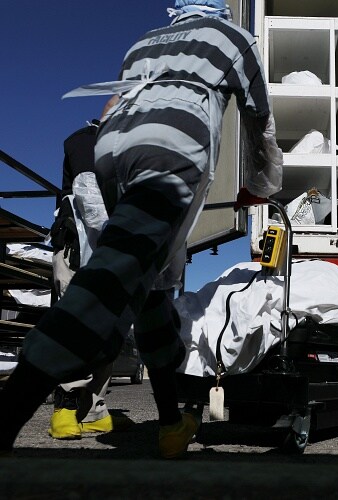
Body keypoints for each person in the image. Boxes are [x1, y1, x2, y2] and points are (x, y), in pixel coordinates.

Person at [0, 0, 282, 459]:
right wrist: (260, 186)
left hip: (113, 150)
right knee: (110, 280)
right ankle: (7, 417)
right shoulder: (235, 39)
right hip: (172, 149)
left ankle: (172, 424)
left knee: (149, 286)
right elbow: (260, 124)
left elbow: (115, 104)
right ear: (218, 12)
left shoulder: (145, 41)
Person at [47, 96, 133, 440]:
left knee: (108, 334)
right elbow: (90, 199)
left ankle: (95, 409)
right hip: (79, 252)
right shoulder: (85, 142)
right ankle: (65, 408)